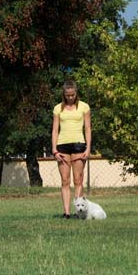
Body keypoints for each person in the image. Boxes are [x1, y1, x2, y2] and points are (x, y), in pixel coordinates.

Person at [51, 80, 92, 219]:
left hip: (79, 145)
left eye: (72, 95)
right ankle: (67, 213)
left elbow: (87, 128)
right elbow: (55, 130)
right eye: (67, 95)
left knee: (78, 180)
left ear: (76, 93)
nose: (70, 97)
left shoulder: (84, 107)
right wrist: (54, 150)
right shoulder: (58, 108)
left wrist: (88, 148)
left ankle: (78, 212)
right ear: (64, 94)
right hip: (62, 146)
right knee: (65, 180)